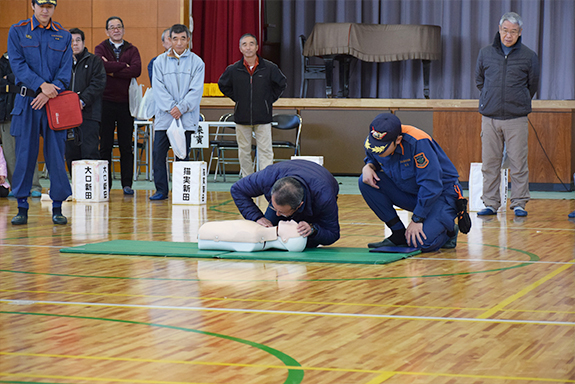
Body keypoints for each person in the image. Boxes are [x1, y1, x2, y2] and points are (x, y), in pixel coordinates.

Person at [7, 0, 72, 225]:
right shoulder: (17, 31)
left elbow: (65, 72)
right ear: (33, 6)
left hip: (53, 103)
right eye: (41, 6)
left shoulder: (63, 35)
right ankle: (22, 207)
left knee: (56, 154)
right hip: (27, 102)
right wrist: (40, 86)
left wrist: (48, 91)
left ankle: (57, 207)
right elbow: (17, 64)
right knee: (24, 155)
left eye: (49, 7)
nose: (45, 10)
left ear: (54, 8)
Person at [359, 113, 462, 252]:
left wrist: (417, 219)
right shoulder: (376, 138)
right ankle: (398, 234)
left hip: (441, 195)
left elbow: (431, 184)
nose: (376, 149)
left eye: (382, 147)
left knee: (421, 244)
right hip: (412, 193)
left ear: (398, 140)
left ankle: (448, 231)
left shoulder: (418, 142)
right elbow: (372, 157)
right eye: (375, 145)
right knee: (365, 181)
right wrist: (369, 166)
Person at [475, 12, 539, 217]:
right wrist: (490, 98)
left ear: (519, 33)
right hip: (490, 118)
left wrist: (516, 100)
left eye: (513, 31)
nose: (508, 35)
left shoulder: (529, 56)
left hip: (516, 118)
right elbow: (479, 81)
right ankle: (491, 203)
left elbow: (532, 85)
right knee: (490, 163)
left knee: (519, 163)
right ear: (499, 30)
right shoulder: (485, 53)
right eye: (505, 31)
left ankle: (519, 203)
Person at [218, 33, 287, 177]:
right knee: (244, 151)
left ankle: (265, 180)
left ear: (256, 47)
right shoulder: (233, 69)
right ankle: (247, 180)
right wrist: (237, 97)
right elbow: (223, 85)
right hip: (242, 117)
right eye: (244, 44)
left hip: (263, 116)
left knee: (266, 150)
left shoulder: (269, 68)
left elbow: (281, 83)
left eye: (251, 44)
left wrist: (268, 99)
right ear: (240, 48)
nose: (248, 47)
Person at [149, 24, 204, 201]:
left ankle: (181, 191)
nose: (179, 42)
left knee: (182, 155)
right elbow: (158, 89)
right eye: (175, 38)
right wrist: (171, 107)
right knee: (158, 154)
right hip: (165, 118)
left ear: (188, 40)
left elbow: (196, 91)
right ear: (169, 40)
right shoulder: (159, 62)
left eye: (183, 38)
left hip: (185, 118)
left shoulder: (197, 62)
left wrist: (180, 108)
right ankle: (161, 190)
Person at [230, 159, 340, 248]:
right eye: (275, 208)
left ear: (299, 205)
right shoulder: (268, 177)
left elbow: (333, 233)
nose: (277, 214)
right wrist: (257, 217)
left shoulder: (325, 198)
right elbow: (237, 189)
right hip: (289, 175)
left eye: (281, 212)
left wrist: (313, 229)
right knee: (267, 235)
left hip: (317, 192)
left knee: (300, 241)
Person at [95, 16, 142, 195]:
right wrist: (123, 66)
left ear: (123, 29)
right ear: (107, 31)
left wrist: (112, 68)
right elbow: (100, 67)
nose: (116, 30)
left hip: (125, 104)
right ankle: (105, 184)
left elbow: (136, 70)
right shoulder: (100, 48)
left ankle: (126, 184)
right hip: (105, 102)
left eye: (119, 27)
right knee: (105, 145)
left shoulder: (132, 49)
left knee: (125, 146)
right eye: (112, 27)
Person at [0, 51, 43, 198]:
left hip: (26, 110)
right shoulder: (1, 63)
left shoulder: (29, 60)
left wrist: (10, 79)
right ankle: (15, 187)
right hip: (4, 112)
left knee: (28, 149)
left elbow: (31, 79)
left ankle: (34, 185)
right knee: (10, 153)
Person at [66, 28, 106, 175]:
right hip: (67, 116)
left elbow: (98, 84)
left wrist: (81, 101)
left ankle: (91, 191)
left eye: (78, 40)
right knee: (71, 154)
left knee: (90, 152)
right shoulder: (62, 63)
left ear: (83, 42)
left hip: (89, 114)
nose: (74, 44)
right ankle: (77, 188)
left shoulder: (95, 61)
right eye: (71, 41)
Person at [198, 220, 307, 252]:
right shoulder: (257, 233)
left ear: (285, 239)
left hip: (205, 233)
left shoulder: (255, 236)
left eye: (294, 226)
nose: (292, 221)